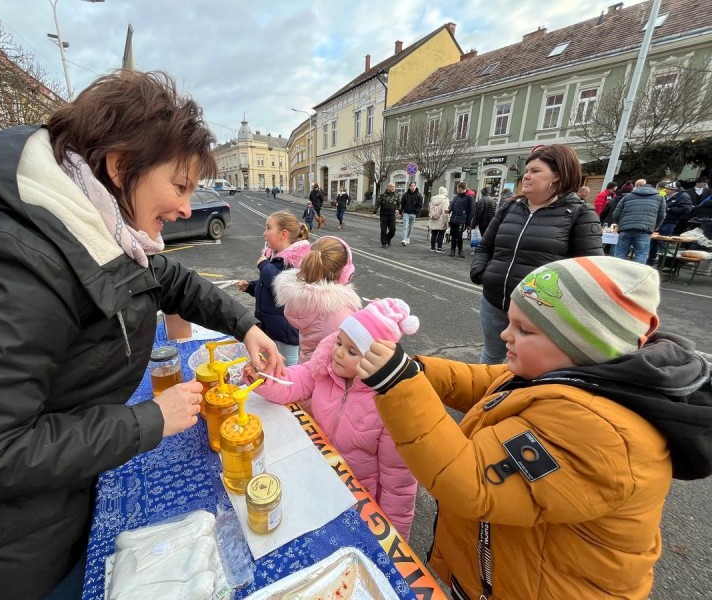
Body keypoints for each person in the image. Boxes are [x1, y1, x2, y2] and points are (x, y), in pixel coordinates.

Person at [0, 70, 283, 600]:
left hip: (52, 512)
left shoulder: (93, 227)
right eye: (179, 186)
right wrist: (145, 422)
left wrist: (245, 325)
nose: (185, 208)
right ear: (120, 164)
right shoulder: (3, 255)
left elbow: (167, 279)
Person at [358, 256, 712, 600]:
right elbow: (486, 382)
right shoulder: (561, 377)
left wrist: (397, 384)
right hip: (504, 573)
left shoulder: (602, 432)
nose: (505, 334)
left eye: (525, 330)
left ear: (586, 347)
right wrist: (414, 368)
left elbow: (473, 482)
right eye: (511, 322)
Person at [247, 298, 420, 539]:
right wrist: (267, 378)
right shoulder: (324, 368)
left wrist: (394, 538)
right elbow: (293, 382)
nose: (338, 353)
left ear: (375, 361)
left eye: (352, 351)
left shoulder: (389, 406)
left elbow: (398, 485)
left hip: (357, 498)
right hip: (316, 473)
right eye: (339, 342)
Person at [470, 143, 602, 364]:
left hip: (538, 314)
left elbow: (590, 273)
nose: (527, 176)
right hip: (495, 302)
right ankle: (486, 399)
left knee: (528, 365)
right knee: (491, 357)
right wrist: (481, 273)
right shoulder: (510, 207)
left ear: (557, 176)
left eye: (535, 171)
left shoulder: (579, 214)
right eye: (527, 171)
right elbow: (485, 247)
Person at [238, 211, 311, 366]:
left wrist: (264, 266)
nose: (264, 233)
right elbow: (268, 286)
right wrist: (251, 287)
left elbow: (282, 286)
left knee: (290, 365)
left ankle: (297, 390)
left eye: (268, 228)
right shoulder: (275, 256)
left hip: (285, 329)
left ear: (283, 234)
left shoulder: (296, 261)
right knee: (270, 363)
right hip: (270, 325)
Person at [273, 236, 362, 363]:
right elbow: (359, 353)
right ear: (346, 273)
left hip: (307, 366)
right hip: (327, 376)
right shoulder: (339, 313)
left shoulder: (303, 300)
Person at [613, 178, 665, 263]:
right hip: (644, 230)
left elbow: (616, 213)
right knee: (641, 254)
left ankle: (616, 274)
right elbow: (661, 215)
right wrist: (654, 227)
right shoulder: (660, 198)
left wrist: (621, 224)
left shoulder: (627, 197)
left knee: (620, 253)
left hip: (626, 228)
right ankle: (638, 275)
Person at [647, 180, 693, 266]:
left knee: (662, 242)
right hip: (659, 222)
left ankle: (661, 262)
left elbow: (686, 210)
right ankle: (650, 260)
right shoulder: (665, 196)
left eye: (667, 189)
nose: (665, 190)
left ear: (673, 190)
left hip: (670, 222)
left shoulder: (683, 197)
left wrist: (670, 209)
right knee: (653, 242)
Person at [448, 181, 473, 257]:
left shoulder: (469, 198)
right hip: (454, 219)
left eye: (458, 188)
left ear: (461, 188)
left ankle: (460, 250)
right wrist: (449, 210)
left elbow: (471, 210)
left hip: (462, 220)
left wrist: (468, 222)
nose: (457, 190)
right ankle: (452, 250)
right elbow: (452, 205)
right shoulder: (456, 197)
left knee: (459, 236)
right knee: (453, 235)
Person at [373, 182, 400, 248]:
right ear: (388, 187)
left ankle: (388, 238)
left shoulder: (396, 195)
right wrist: (374, 213)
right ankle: (384, 242)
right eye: (391, 186)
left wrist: (398, 210)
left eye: (393, 186)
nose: (392, 188)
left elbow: (399, 204)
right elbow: (377, 204)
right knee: (383, 230)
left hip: (392, 215)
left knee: (393, 230)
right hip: (384, 215)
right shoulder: (382, 195)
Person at [399, 181, 423, 246]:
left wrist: (416, 211)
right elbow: (402, 203)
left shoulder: (419, 195)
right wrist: (400, 211)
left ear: (415, 186)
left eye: (414, 185)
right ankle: (404, 239)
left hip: (413, 213)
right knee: (405, 226)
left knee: (410, 227)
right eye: (411, 186)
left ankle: (407, 238)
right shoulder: (406, 195)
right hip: (406, 212)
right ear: (409, 187)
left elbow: (420, 204)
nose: (413, 187)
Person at [428, 186, 450, 253]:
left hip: (433, 217)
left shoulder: (433, 199)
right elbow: (445, 212)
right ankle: (439, 248)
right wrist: (446, 221)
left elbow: (430, 209)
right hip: (441, 218)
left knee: (434, 233)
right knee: (441, 233)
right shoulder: (445, 200)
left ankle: (432, 247)